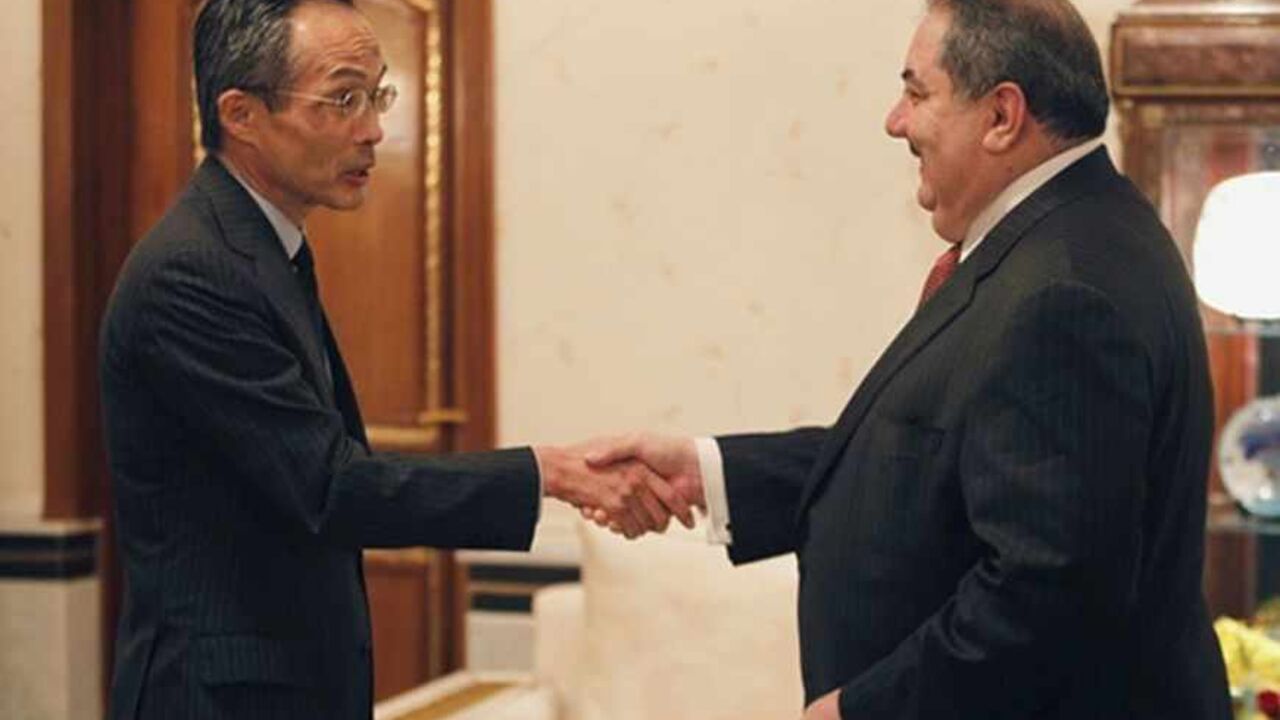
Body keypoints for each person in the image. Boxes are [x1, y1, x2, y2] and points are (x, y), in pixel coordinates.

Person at [587, 0, 1232, 717]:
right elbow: (930, 459)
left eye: (917, 93)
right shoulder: (1068, 239)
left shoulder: (1066, 291)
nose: (895, 121)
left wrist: (858, 710)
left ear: (1001, 117)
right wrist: (707, 471)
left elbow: (1049, 591)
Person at [99, 1, 690, 718]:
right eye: (343, 99)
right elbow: (330, 490)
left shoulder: (259, 249)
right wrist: (550, 473)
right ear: (241, 113)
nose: (374, 128)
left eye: (377, 94)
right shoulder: (193, 273)